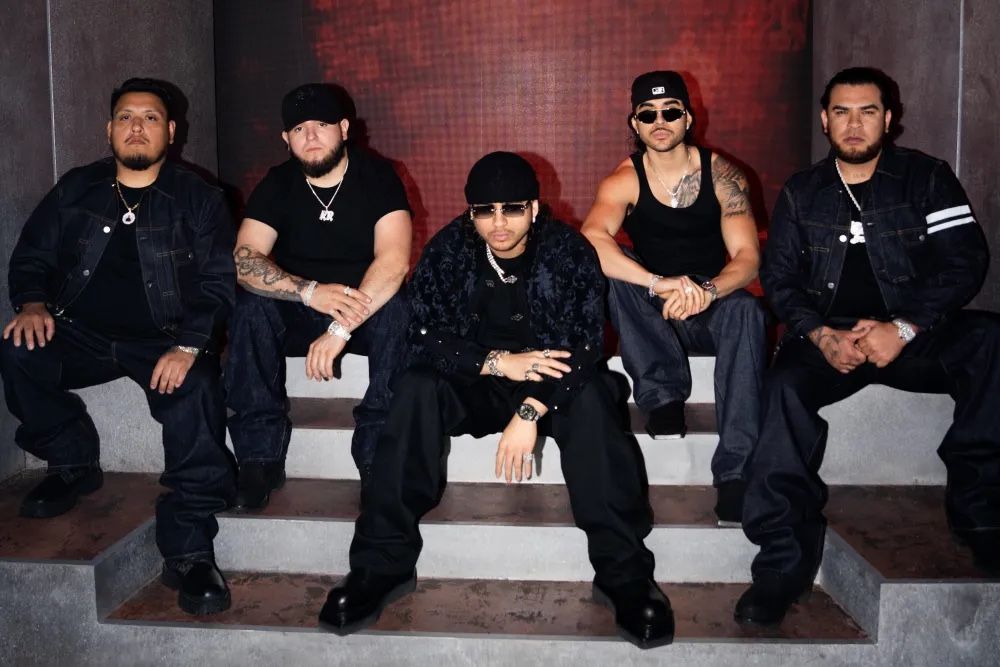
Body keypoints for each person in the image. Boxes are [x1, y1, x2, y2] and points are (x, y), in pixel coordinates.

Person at [318, 152, 674, 649]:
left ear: (534, 208)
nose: (499, 223)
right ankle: (380, 566)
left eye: (512, 209)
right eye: (485, 210)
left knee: (593, 397)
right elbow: (423, 333)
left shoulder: (567, 251)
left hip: (552, 385)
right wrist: (495, 362)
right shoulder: (450, 250)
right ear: (472, 213)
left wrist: (530, 410)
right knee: (416, 387)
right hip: (478, 380)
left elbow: (587, 344)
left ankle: (625, 575)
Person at [737, 67, 1000, 625]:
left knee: (990, 341)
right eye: (842, 112)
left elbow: (964, 261)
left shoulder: (926, 178)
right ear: (825, 120)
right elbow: (779, 279)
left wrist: (904, 328)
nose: (854, 125)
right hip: (829, 337)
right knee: (782, 390)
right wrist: (819, 335)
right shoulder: (803, 191)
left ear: (888, 118)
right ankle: (782, 563)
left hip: (912, 333)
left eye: (867, 112)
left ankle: (981, 513)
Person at [1, 78, 236, 615]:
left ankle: (190, 549)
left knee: (197, 390)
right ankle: (71, 461)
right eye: (126, 117)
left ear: (170, 131)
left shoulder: (199, 198)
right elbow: (32, 254)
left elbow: (218, 282)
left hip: (162, 340)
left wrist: (190, 346)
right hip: (78, 332)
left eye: (150, 118)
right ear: (109, 129)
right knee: (18, 349)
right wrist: (32, 303)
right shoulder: (76, 188)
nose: (136, 127)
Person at [582, 71, 766, 526]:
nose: (659, 121)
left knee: (748, 310)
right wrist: (657, 283)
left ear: (688, 117)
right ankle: (662, 395)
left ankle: (736, 474)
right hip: (655, 310)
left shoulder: (723, 175)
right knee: (613, 268)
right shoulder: (624, 179)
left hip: (709, 305)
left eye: (670, 112)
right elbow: (592, 239)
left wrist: (706, 291)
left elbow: (747, 259)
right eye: (648, 114)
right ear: (635, 123)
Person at [225, 83, 411, 508]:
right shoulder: (278, 183)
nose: (310, 136)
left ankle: (377, 457)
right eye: (299, 129)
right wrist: (308, 292)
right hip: (300, 308)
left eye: (321, 125)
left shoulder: (378, 177)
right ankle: (259, 456)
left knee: (399, 307)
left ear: (344, 129)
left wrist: (340, 328)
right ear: (286, 138)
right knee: (250, 305)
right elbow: (244, 259)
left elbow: (394, 262)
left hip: (362, 311)